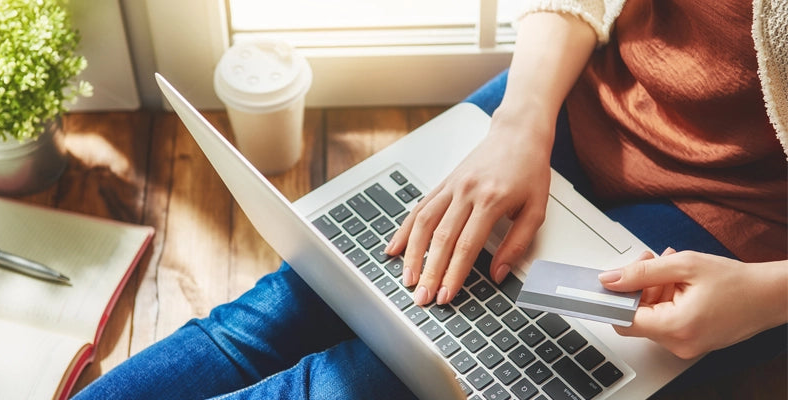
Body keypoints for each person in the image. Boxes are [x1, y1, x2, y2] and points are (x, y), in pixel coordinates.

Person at [75, 0, 787, 398]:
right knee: (280, 310)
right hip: (567, 104)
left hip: (739, 228)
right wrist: (521, 119)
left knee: (352, 385)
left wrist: (762, 299)